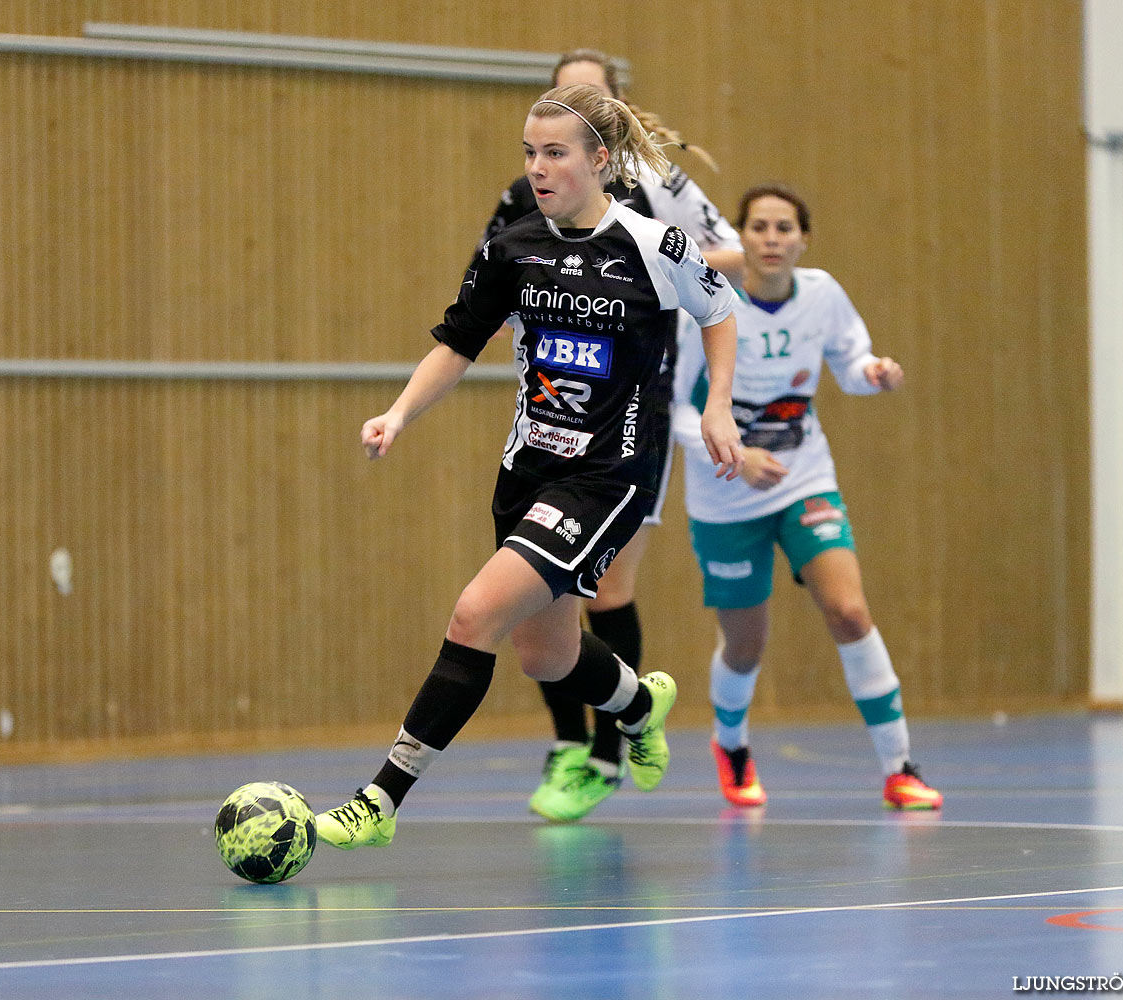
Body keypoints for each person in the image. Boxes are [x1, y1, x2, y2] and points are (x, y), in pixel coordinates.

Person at [314, 84, 745, 850]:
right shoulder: (513, 248)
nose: (538, 168)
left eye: (555, 153)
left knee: (474, 615)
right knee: (547, 657)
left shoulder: (655, 245)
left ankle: (380, 799)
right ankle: (641, 708)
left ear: (599, 161)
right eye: (529, 152)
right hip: (528, 471)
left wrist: (716, 409)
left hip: (608, 476)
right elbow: (456, 344)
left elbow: (719, 310)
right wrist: (399, 414)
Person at [480, 48, 745, 823]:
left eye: (587, 100)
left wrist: (652, 261)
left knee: (606, 588)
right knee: (536, 594)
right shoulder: (526, 197)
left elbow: (722, 262)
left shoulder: (657, 193)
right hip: (550, 417)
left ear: (611, 123)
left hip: (634, 413)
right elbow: (487, 281)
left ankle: (609, 744)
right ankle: (570, 744)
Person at [672, 183, 943, 811]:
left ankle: (900, 767)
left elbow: (851, 365)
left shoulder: (822, 296)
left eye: (784, 228)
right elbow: (674, 411)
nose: (772, 240)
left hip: (804, 478)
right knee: (746, 642)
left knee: (848, 611)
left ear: (803, 239)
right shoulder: (707, 304)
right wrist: (737, 456)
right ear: (741, 237)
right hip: (726, 495)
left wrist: (875, 375)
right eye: (760, 228)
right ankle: (731, 745)